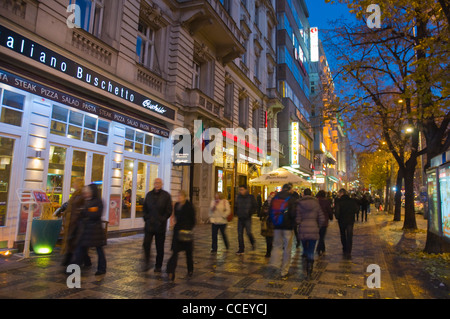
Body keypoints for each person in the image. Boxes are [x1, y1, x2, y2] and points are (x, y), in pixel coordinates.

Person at [73, 183, 107, 275]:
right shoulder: (86, 201)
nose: (86, 194)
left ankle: (102, 268)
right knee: (81, 248)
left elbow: (95, 214)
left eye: (88, 192)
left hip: (95, 231)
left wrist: (84, 212)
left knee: (99, 250)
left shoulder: (97, 202)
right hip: (86, 230)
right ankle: (76, 267)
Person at [142, 178, 173, 272]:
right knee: (146, 244)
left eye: (159, 183)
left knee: (159, 247)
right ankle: (147, 262)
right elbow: (144, 208)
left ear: (162, 184)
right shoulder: (149, 195)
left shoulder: (166, 195)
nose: (157, 184)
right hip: (149, 225)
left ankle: (158, 265)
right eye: (155, 182)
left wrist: (161, 220)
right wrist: (146, 218)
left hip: (160, 226)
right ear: (153, 184)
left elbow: (169, 210)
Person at [296, 188, 327, 280]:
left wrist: (300, 222)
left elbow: (297, 219)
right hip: (313, 229)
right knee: (311, 250)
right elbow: (321, 218)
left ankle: (306, 261)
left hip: (303, 230)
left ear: (303, 194)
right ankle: (310, 271)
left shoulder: (299, 204)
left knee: (305, 248)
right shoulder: (316, 204)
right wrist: (317, 226)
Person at [269, 184, 298, 279]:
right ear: (290, 189)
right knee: (287, 248)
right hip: (288, 227)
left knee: (277, 245)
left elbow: (270, 211)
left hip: (277, 225)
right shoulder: (291, 198)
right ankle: (284, 271)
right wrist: (294, 223)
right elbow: (294, 213)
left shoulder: (275, 197)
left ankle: (275, 263)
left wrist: (272, 222)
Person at [166, 190, 196, 281]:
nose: (179, 197)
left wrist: (187, 228)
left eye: (180, 196)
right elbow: (175, 217)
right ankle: (171, 271)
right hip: (177, 233)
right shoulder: (176, 205)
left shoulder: (189, 206)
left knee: (188, 253)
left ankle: (190, 269)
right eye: (178, 196)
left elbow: (193, 220)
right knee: (175, 252)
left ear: (184, 196)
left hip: (186, 232)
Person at [55, 177, 85, 266]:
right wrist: (60, 209)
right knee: (72, 242)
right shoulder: (76, 194)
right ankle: (69, 260)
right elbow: (68, 204)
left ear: (78, 184)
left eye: (74, 183)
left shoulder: (82, 195)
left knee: (74, 242)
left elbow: (82, 208)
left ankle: (72, 262)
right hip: (72, 222)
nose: (73, 185)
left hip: (77, 223)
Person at [335, 188, 360, 259]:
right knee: (349, 235)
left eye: (339, 193)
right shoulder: (352, 201)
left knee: (343, 234)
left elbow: (337, 212)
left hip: (342, 220)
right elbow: (356, 209)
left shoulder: (339, 201)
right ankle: (349, 250)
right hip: (350, 220)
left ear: (341, 193)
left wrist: (337, 217)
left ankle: (344, 247)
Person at [234, 185, 257, 255]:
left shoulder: (251, 197)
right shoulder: (238, 197)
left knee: (248, 232)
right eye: (240, 190)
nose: (241, 191)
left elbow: (255, 206)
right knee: (239, 234)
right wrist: (237, 212)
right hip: (240, 218)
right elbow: (236, 206)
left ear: (246, 190)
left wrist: (250, 212)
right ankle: (241, 249)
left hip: (247, 218)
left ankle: (253, 242)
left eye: (242, 189)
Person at [316, 190, 333, 256]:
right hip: (324, 221)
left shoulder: (315, 201)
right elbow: (329, 211)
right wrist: (331, 217)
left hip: (316, 221)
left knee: (320, 236)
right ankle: (319, 248)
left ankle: (322, 248)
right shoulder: (326, 202)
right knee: (322, 236)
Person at [260, 192, 276, 258]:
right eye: (270, 197)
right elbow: (261, 213)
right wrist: (264, 211)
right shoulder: (265, 204)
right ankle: (268, 251)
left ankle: (270, 251)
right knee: (268, 239)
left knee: (271, 238)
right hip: (267, 224)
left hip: (273, 223)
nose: (270, 199)